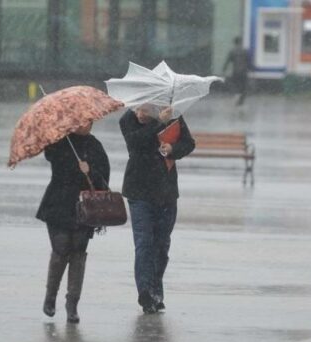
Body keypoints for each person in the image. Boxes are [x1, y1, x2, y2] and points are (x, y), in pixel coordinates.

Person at [119, 104, 195, 314]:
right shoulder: (127, 120)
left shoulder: (173, 116)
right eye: (137, 110)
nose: (140, 114)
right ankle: (145, 292)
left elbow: (188, 143)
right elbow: (136, 142)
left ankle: (155, 290)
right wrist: (159, 123)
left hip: (166, 191)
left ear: (154, 107)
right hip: (139, 191)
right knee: (144, 242)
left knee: (161, 245)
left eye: (144, 110)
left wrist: (173, 149)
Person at [37, 123, 110, 324]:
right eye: (83, 121)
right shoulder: (60, 142)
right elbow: (51, 156)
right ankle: (50, 297)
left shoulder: (94, 145)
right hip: (58, 203)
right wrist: (72, 163)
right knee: (60, 249)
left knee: (78, 253)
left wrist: (90, 171)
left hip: (84, 207)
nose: (87, 124)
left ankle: (72, 304)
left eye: (90, 121)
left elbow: (104, 177)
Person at [223, 36, 250, 106]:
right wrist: (251, 69)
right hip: (244, 72)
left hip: (236, 71)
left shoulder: (232, 51)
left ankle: (237, 95)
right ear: (240, 42)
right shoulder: (245, 51)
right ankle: (241, 99)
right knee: (244, 86)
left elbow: (228, 61)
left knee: (236, 84)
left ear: (234, 43)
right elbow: (248, 61)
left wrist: (224, 69)